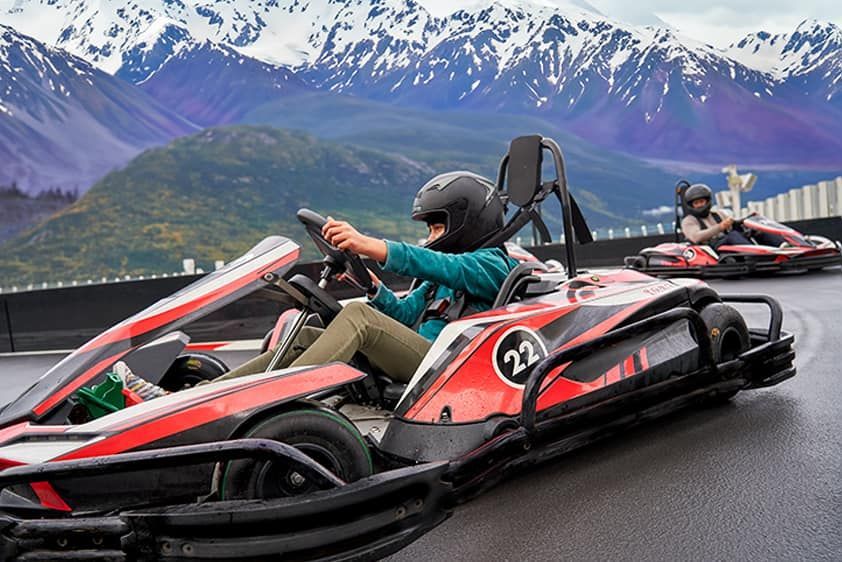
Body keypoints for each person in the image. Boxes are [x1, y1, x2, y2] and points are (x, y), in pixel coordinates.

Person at [211, 170, 519, 384]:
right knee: (304, 336)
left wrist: (368, 244)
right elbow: (406, 314)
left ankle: (273, 398)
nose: (430, 237)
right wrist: (373, 287)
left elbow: (438, 264)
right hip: (421, 354)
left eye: (437, 228)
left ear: (470, 223)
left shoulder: (491, 264)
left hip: (446, 365)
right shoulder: (439, 280)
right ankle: (209, 394)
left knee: (359, 316)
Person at [680, 183, 752, 248]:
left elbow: (732, 225)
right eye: (696, 203)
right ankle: (753, 254)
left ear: (707, 201)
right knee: (732, 235)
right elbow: (696, 237)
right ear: (691, 205)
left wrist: (746, 220)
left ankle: (757, 253)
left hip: (727, 247)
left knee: (752, 233)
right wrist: (720, 227)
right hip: (709, 251)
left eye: (701, 202)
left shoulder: (719, 214)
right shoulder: (689, 220)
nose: (699, 205)